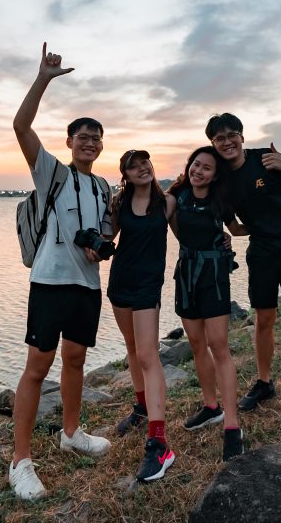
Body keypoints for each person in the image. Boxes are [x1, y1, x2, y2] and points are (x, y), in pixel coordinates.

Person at [8, 43, 113, 500]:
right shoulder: (52, 172)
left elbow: (106, 231)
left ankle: (71, 432)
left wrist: (99, 249)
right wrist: (43, 80)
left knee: (76, 360)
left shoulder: (103, 185)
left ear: (101, 145)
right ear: (70, 143)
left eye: (96, 138)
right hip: (50, 283)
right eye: (82, 137)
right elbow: (20, 126)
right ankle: (20, 461)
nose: (89, 143)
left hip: (86, 286)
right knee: (38, 366)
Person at [205, 113, 281, 432]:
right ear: (213, 144)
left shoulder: (266, 158)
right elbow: (234, 225)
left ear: (242, 136)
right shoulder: (221, 179)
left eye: (232, 135)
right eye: (219, 138)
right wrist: (227, 235)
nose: (227, 142)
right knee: (264, 318)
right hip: (262, 250)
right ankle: (264, 382)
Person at [168, 146, 247, 461]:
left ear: (215, 175)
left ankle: (231, 425)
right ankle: (210, 406)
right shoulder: (177, 195)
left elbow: (238, 227)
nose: (198, 171)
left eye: (206, 168)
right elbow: (164, 221)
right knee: (197, 344)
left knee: (219, 346)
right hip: (187, 274)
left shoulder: (220, 200)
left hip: (214, 276)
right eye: (195, 165)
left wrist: (254, 226)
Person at [108, 149, 178, 482]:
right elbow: (107, 238)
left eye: (144, 164)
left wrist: (220, 238)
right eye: (133, 167)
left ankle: (159, 441)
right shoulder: (119, 204)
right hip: (120, 282)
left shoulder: (167, 203)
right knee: (132, 348)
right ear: (126, 175)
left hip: (148, 287)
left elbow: (188, 233)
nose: (141, 169)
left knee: (150, 356)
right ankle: (140, 407)